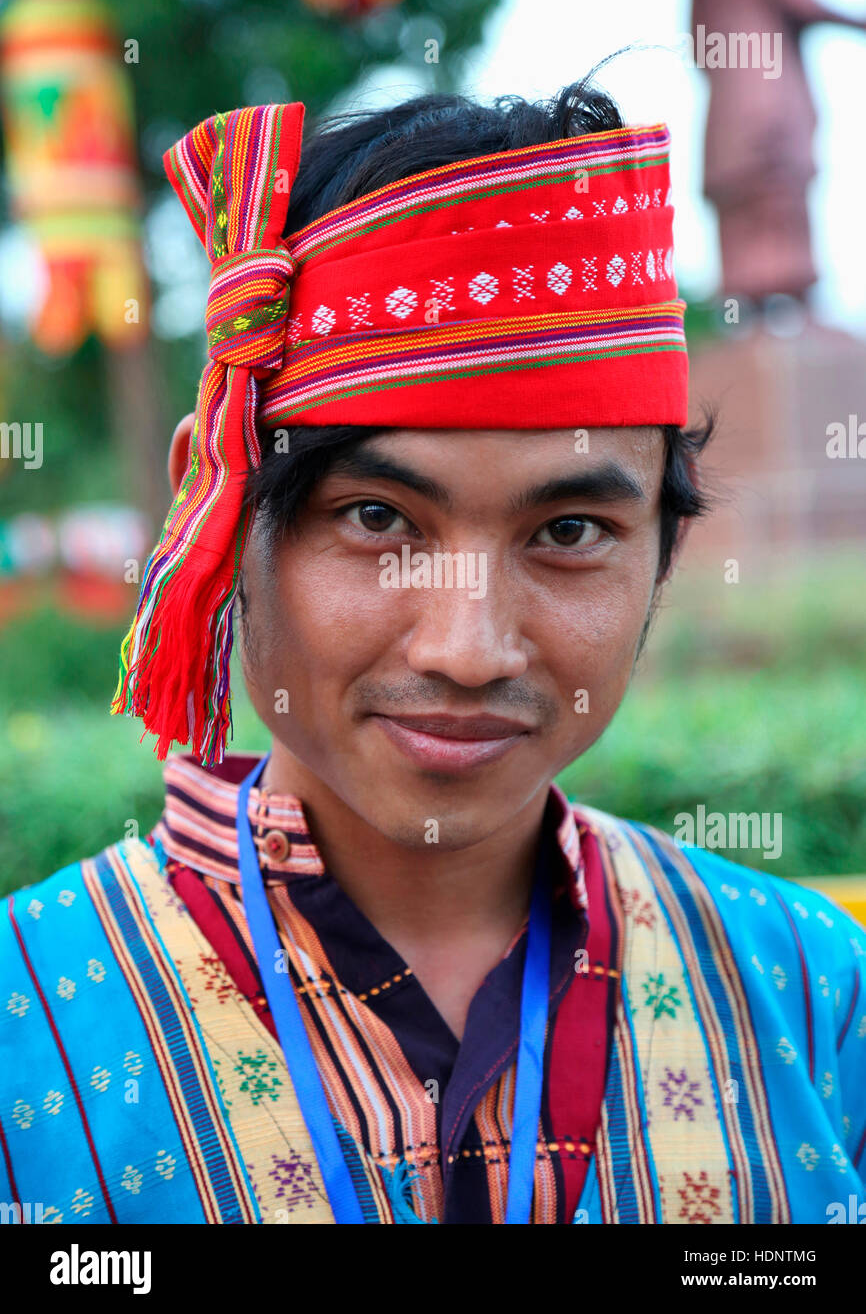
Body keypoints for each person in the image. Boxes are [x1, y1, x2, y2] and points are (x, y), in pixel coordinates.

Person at [1, 81, 863, 1226]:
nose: (468, 647)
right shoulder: (29, 1021)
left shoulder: (807, 993)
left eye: (566, 533)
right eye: (376, 518)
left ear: (660, 550)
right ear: (214, 506)